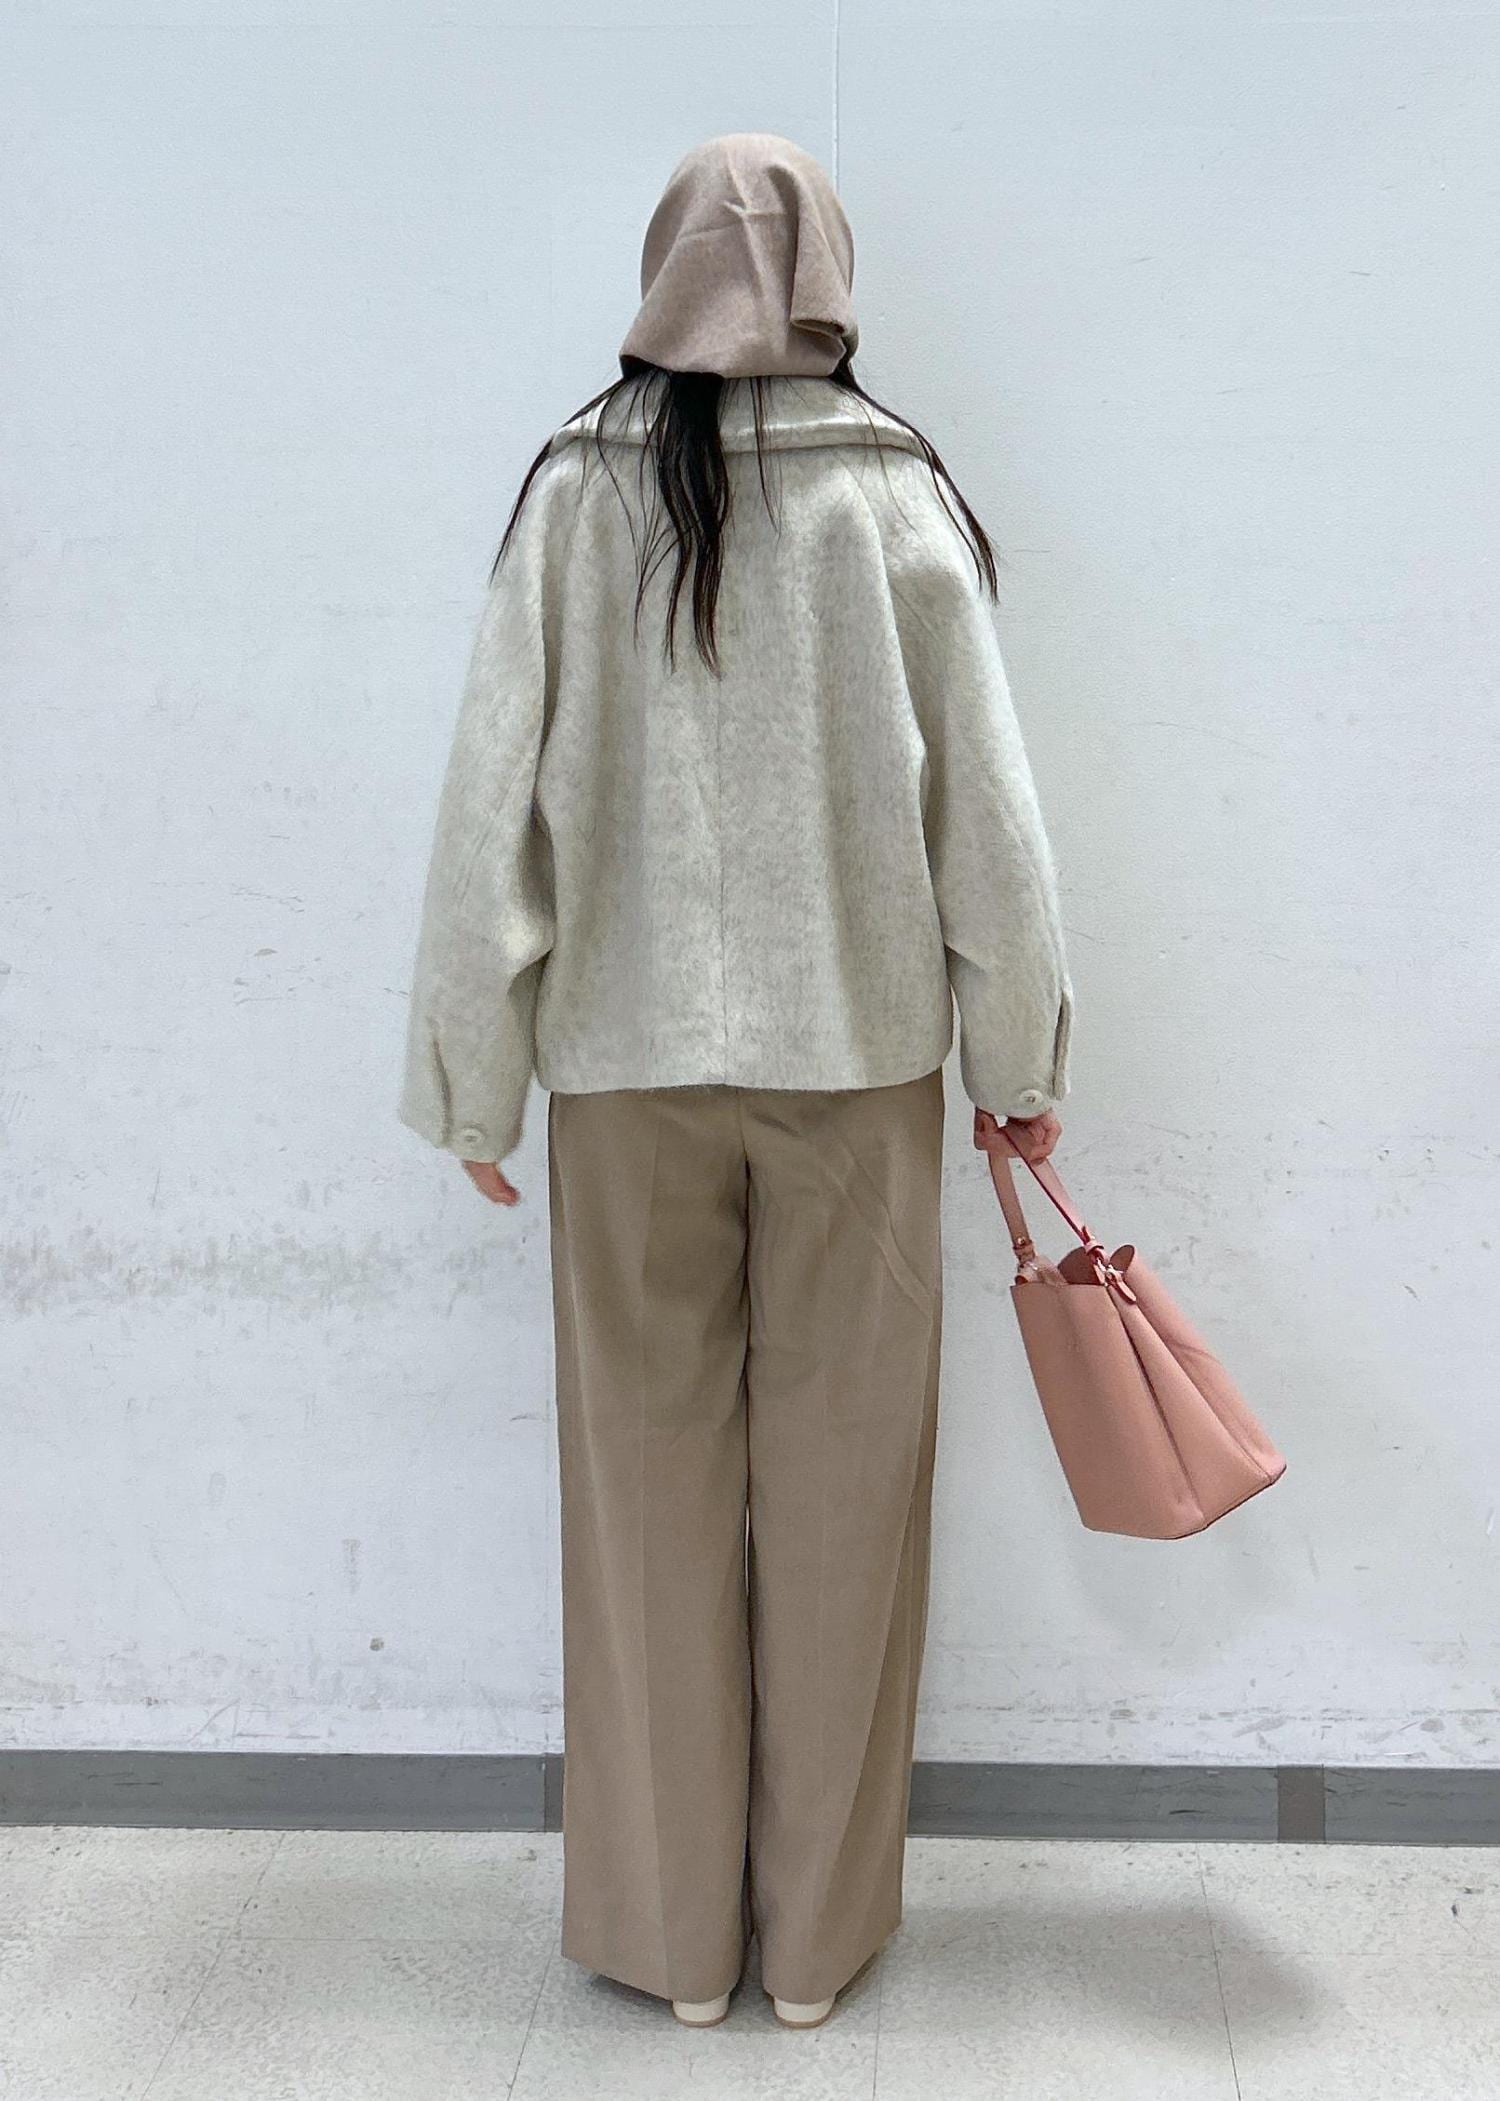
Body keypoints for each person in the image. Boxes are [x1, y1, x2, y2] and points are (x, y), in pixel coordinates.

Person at [398, 132, 1072, 2031]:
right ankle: (816, 1951)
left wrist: (474, 1076)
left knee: (642, 1497)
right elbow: (990, 816)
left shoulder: (573, 491)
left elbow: (488, 804)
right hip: (856, 1067)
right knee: (852, 1497)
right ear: (829, 274)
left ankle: (677, 1946)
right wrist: (1018, 1054)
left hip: (623, 1078)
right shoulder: (894, 494)